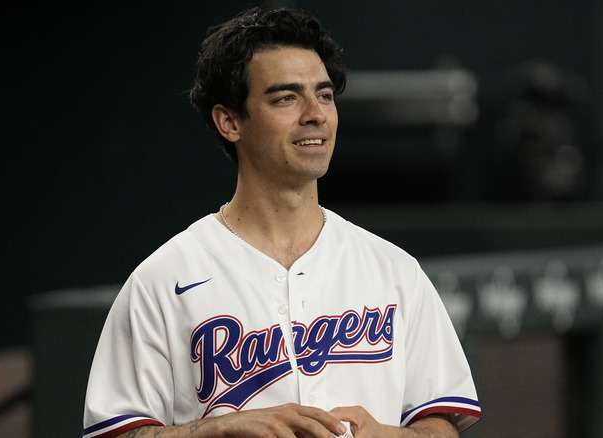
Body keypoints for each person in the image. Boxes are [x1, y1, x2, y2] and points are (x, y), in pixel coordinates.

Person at [82, 6, 481, 438]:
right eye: (286, 97)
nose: (315, 114)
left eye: (324, 95)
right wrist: (221, 430)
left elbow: (441, 425)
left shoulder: (394, 270)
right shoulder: (163, 280)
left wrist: (394, 436)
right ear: (229, 121)